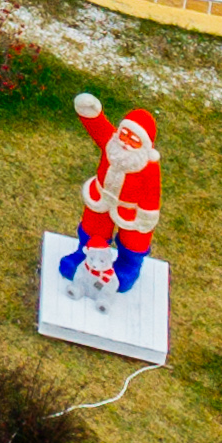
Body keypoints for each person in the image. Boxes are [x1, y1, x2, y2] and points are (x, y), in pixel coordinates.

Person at [68, 92, 162, 299]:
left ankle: (128, 267)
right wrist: (90, 112)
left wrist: (146, 216)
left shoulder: (148, 166)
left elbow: (152, 193)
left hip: (130, 209)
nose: (126, 142)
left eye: (134, 140)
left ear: (145, 145)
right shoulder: (111, 144)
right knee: (93, 228)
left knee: (133, 240)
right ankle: (84, 255)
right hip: (101, 197)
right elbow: (98, 127)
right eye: (125, 135)